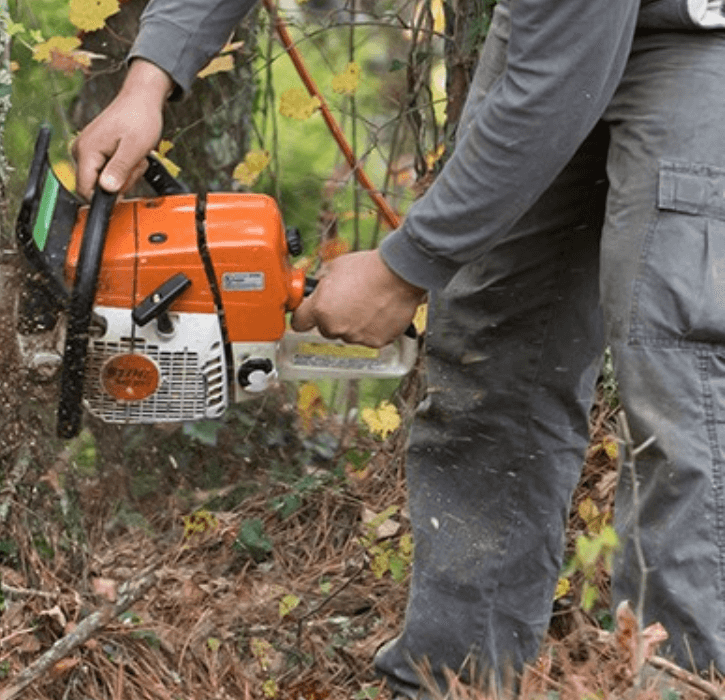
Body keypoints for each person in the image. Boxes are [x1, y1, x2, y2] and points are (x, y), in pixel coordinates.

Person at [72, 0, 725, 695]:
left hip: (698, 38)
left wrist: (404, 268)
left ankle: (688, 679)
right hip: (556, 25)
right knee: (493, 345)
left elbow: (559, 82)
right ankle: (455, 680)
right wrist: (149, 80)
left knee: (677, 368)